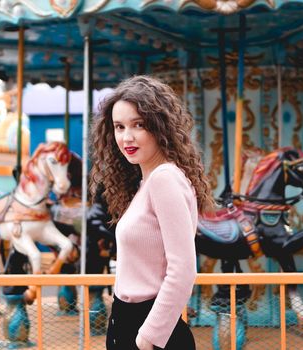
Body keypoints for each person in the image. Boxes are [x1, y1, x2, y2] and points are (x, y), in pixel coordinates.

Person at [90, 75, 213, 350]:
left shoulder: (164, 179)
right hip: (128, 321)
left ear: (159, 127)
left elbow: (182, 268)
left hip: (148, 329)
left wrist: (148, 337)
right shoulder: (147, 182)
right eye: (119, 127)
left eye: (139, 125)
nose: (126, 137)